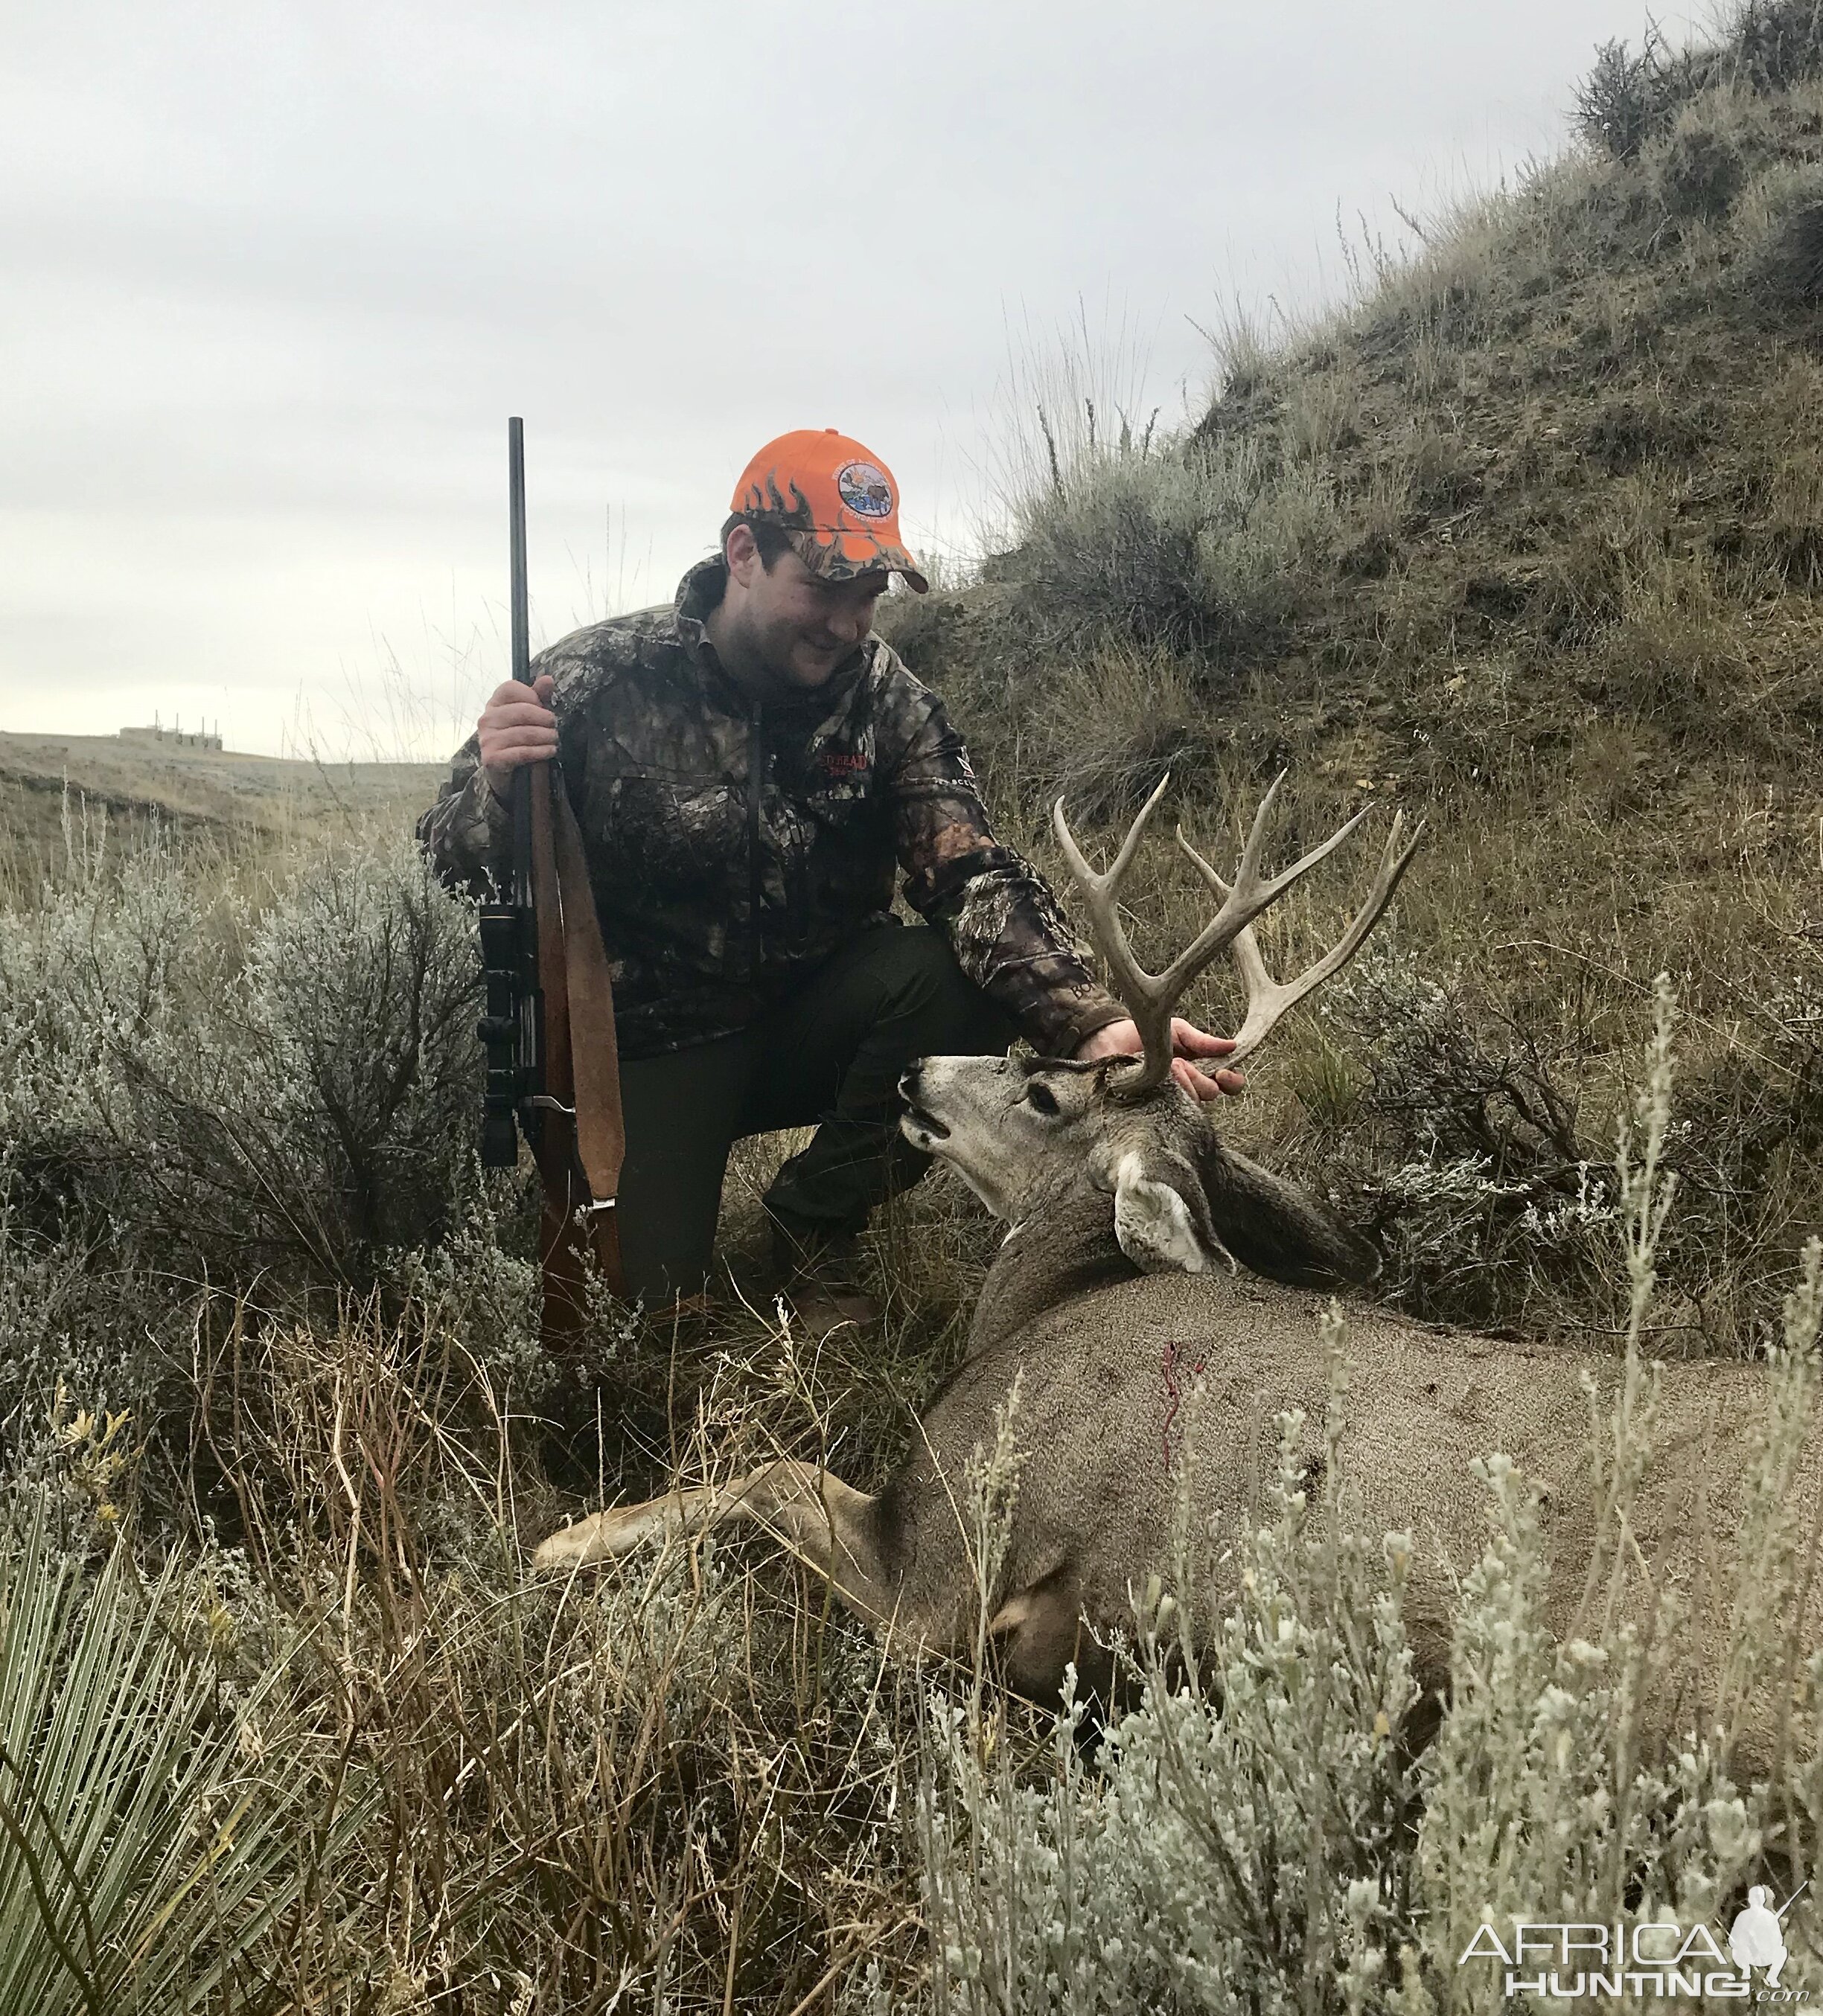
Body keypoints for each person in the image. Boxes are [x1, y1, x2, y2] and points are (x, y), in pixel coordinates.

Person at [419, 428, 1240, 1331]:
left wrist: (1088, 1021)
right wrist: (497, 788)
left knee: (953, 988)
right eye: (823, 587)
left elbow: (968, 872)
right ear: (743, 554)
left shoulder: (886, 697)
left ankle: (813, 1223)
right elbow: (446, 865)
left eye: (870, 595)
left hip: (818, 1017)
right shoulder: (595, 680)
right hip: (647, 1053)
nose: (849, 622)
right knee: (638, 1327)